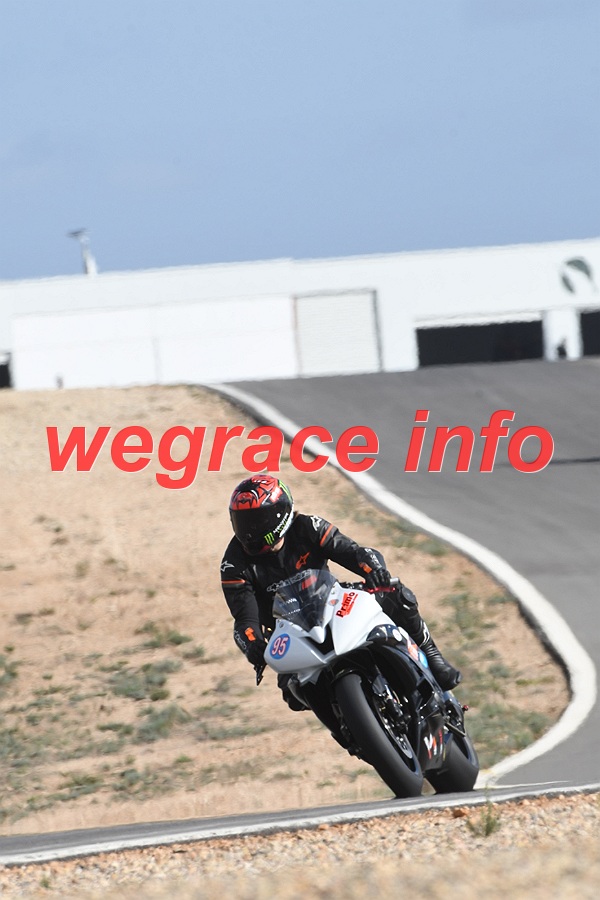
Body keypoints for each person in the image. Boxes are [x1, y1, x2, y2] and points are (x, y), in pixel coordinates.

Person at [220, 475, 461, 709]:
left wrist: (374, 570)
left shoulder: (308, 527)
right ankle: (345, 723)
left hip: (331, 602)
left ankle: (432, 654)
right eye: (242, 522)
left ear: (280, 514)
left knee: (394, 593)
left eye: (256, 521)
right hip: (287, 631)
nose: (249, 531)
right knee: (292, 693)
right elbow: (244, 621)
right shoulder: (233, 564)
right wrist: (252, 644)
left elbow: (354, 552)